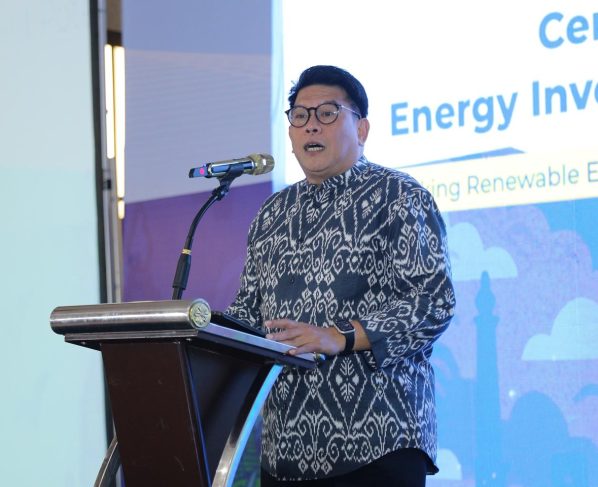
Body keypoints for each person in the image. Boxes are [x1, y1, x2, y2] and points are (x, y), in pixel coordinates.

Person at [227, 65, 455, 486]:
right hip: (285, 450)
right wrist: (200, 329)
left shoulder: (399, 196)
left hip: (378, 443)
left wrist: (340, 336)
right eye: (300, 115)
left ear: (361, 129)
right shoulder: (272, 214)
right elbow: (248, 312)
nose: (311, 125)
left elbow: (432, 304)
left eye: (327, 113)